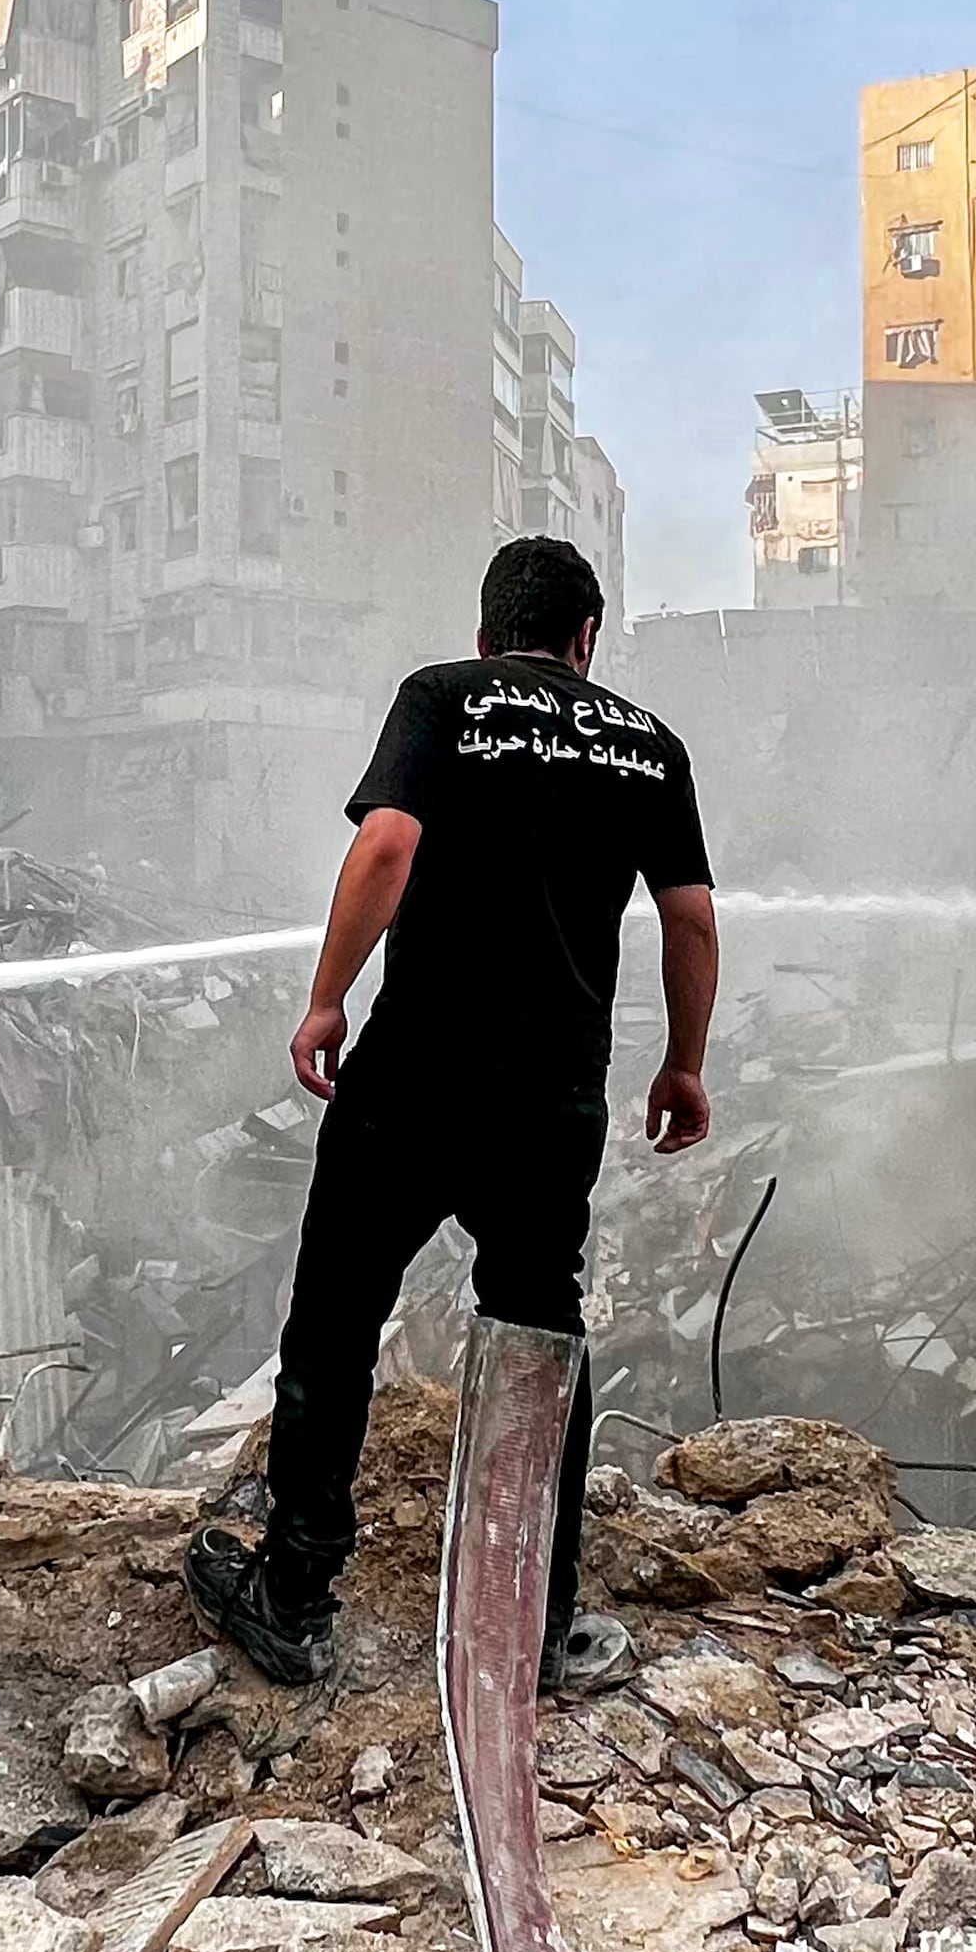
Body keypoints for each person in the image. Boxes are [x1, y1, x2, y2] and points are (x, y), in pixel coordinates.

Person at [183, 537, 717, 1694]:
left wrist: (326, 996)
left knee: (334, 1318)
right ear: (588, 638)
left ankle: (294, 1594)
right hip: (554, 1097)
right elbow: (690, 922)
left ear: (487, 633)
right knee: (536, 1337)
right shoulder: (649, 744)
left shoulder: (441, 697)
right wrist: (681, 1065)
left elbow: (385, 845)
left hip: (417, 1074)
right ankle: (536, 1618)